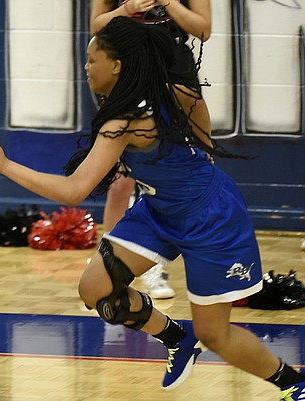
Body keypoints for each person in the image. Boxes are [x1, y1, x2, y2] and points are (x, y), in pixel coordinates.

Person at [0, 17, 305, 399]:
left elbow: (73, 191)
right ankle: (176, 338)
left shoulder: (125, 122)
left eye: (90, 60)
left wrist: (4, 165)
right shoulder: (163, 92)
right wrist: (203, 147)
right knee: (96, 288)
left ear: (116, 65)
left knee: (216, 334)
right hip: (160, 209)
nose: (86, 68)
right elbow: (195, 101)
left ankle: (293, 384)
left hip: (210, 217)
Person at [90, 0, 214, 300]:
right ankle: (114, 259)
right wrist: (126, 9)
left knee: (186, 164)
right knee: (121, 177)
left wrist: (169, 3)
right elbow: (96, 25)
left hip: (173, 65)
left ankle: (164, 261)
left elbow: (203, 29)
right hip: (127, 66)